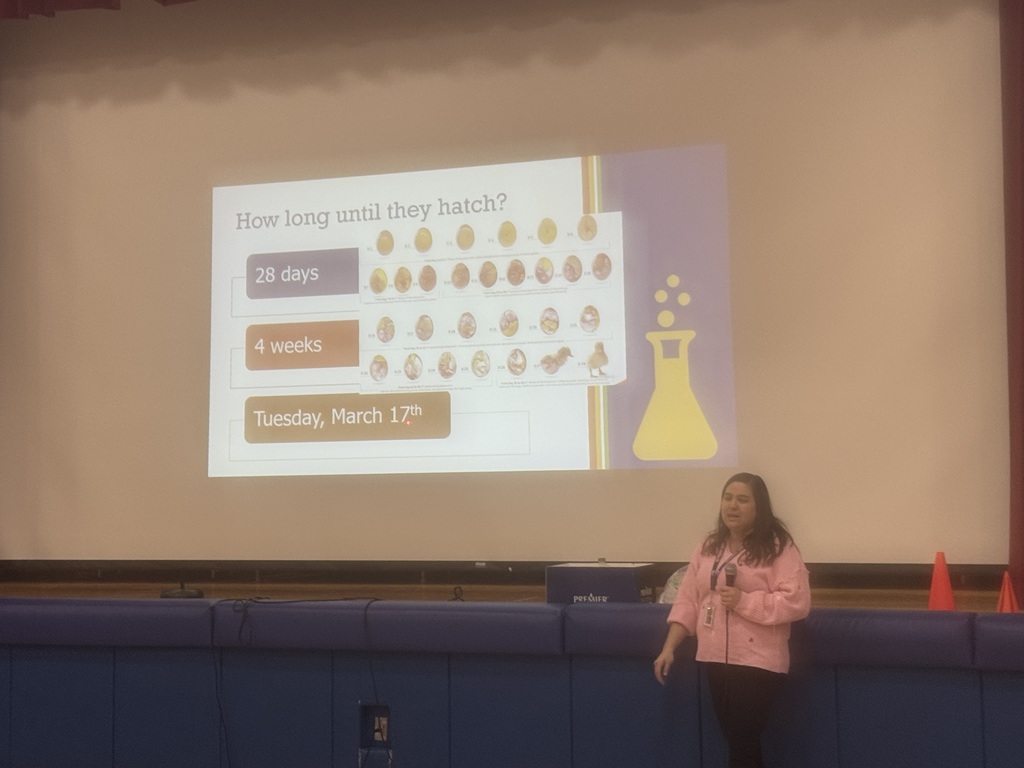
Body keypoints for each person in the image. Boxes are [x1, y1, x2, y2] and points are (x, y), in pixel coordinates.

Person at [653, 472, 810, 768]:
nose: (732, 506)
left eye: (742, 500)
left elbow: (797, 601)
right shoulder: (709, 545)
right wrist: (669, 647)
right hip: (715, 657)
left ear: (759, 507)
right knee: (737, 742)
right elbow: (688, 599)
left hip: (759, 661)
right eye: (728, 498)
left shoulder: (779, 547)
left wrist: (744, 601)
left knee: (742, 738)